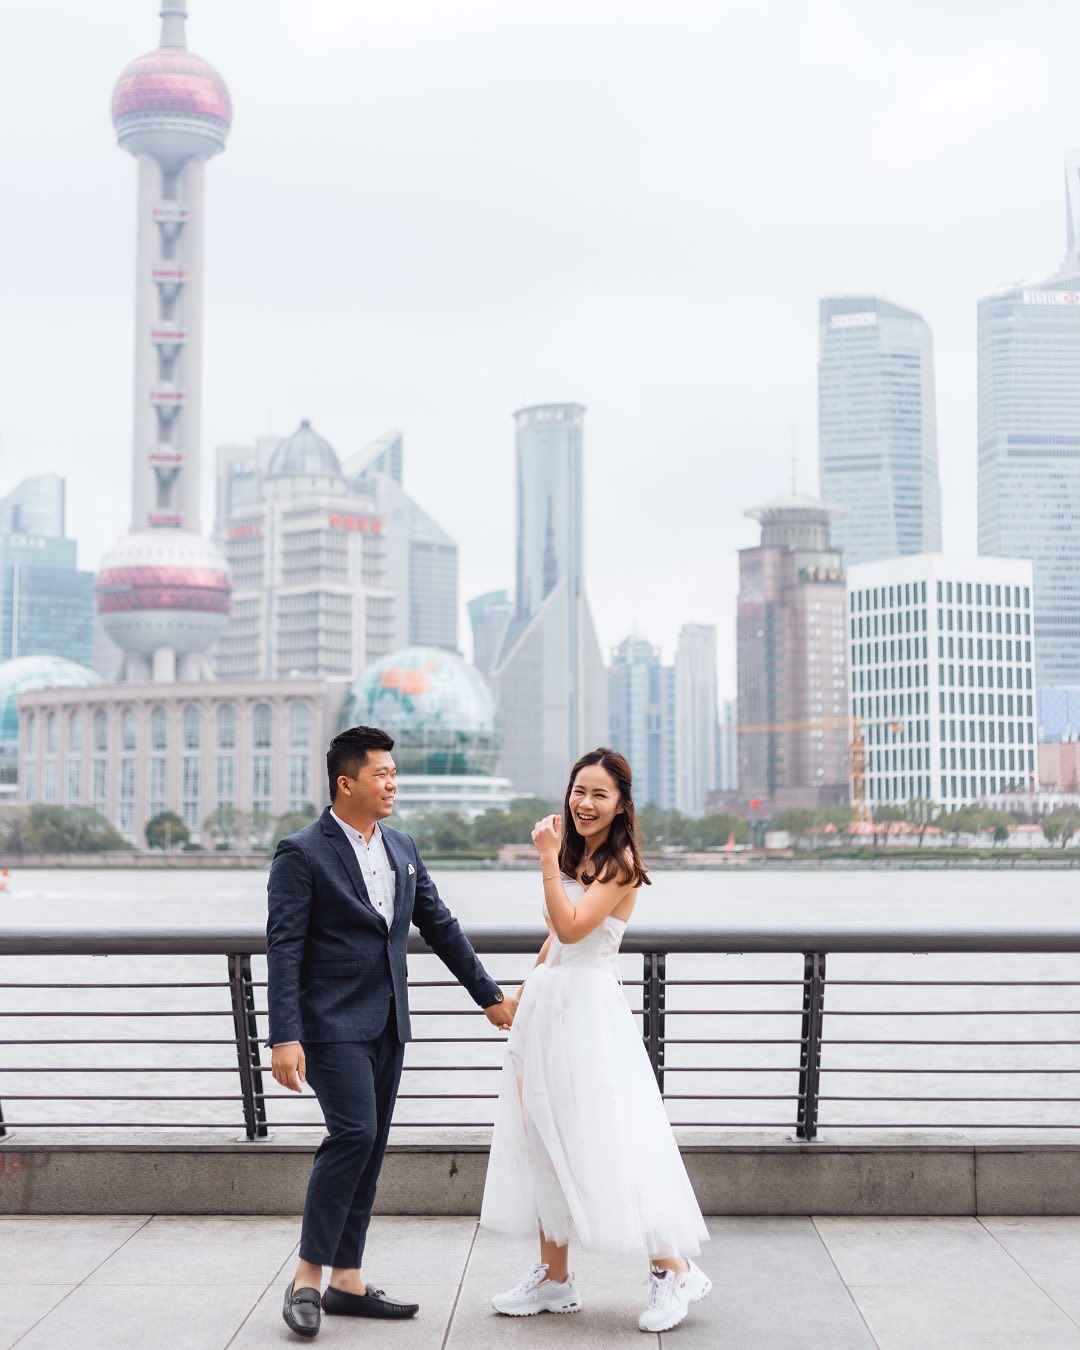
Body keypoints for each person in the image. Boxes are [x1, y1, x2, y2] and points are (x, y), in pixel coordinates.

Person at [267, 725, 514, 1340]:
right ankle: (306, 1279)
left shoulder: (402, 845)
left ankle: (348, 1280)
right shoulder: (301, 853)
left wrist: (490, 997)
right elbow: (284, 949)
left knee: (371, 1149)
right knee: (352, 1135)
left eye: (394, 774)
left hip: (389, 1023)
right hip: (328, 1027)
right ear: (346, 783)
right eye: (381, 774)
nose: (392, 784)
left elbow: (439, 924)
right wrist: (283, 1036)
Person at [481, 747, 711, 1334]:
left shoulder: (619, 865)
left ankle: (674, 1269)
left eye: (599, 794)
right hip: (551, 1007)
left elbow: (573, 926)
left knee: (612, 1137)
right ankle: (554, 1276)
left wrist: (544, 861)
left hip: (588, 1012)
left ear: (620, 804)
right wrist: (520, 1001)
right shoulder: (578, 858)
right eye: (579, 790)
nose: (585, 803)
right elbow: (552, 945)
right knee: (544, 1136)